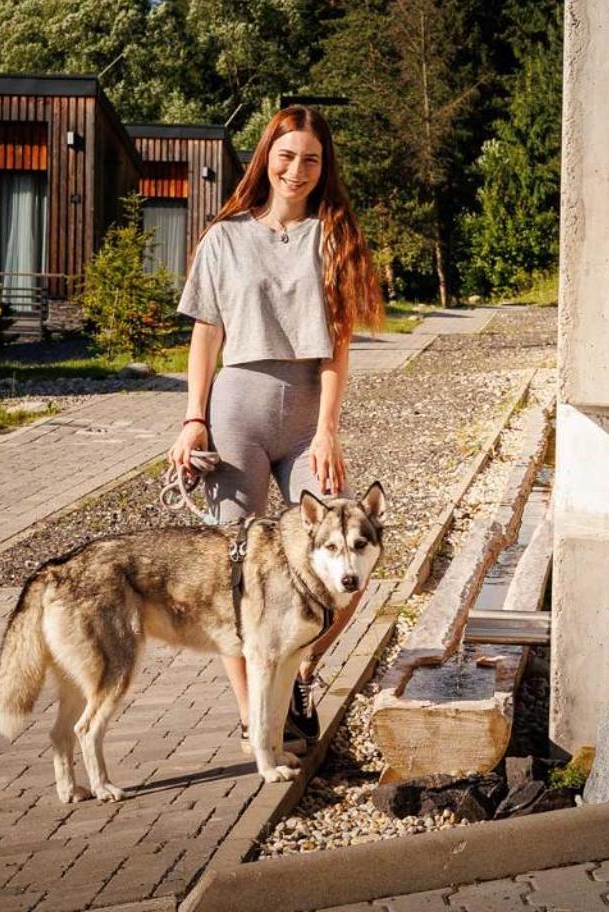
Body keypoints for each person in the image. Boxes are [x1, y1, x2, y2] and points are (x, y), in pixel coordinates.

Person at [166, 104, 384, 749]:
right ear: (266, 158)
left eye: (311, 160)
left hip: (306, 413)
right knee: (236, 571)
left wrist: (328, 430)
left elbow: (338, 345)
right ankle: (254, 716)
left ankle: (303, 671)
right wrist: (192, 419)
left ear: (324, 169)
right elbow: (206, 335)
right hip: (236, 406)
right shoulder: (226, 236)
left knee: (346, 555)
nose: (297, 169)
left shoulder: (335, 236)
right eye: (286, 156)